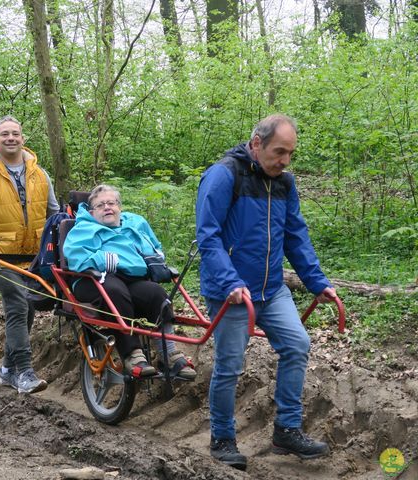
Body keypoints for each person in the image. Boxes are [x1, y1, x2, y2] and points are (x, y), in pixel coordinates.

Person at [196, 114, 337, 470]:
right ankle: (223, 438)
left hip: (271, 289)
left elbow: (295, 236)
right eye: (279, 151)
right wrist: (230, 283)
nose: (285, 160)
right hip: (232, 291)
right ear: (257, 144)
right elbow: (208, 237)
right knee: (230, 365)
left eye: (290, 153)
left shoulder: (285, 184)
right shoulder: (224, 174)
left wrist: (317, 283)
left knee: (297, 344)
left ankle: (286, 430)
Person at [0, 115, 59, 394]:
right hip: (1, 257)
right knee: (17, 307)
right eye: (4, 134)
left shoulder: (40, 174)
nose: (10, 138)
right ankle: (25, 373)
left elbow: (54, 214)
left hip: (36, 259)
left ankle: (6, 368)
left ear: (23, 138)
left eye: (15, 133)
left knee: (27, 311)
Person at [63, 184, 196, 380]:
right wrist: (104, 259)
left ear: (119, 207)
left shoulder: (134, 224)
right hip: (93, 278)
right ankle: (132, 354)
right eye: (101, 205)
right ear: (92, 212)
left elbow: (155, 249)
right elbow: (75, 257)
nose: (107, 207)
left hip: (131, 278)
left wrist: (155, 262)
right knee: (115, 292)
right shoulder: (83, 228)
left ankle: (168, 354)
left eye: (111, 203)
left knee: (156, 294)